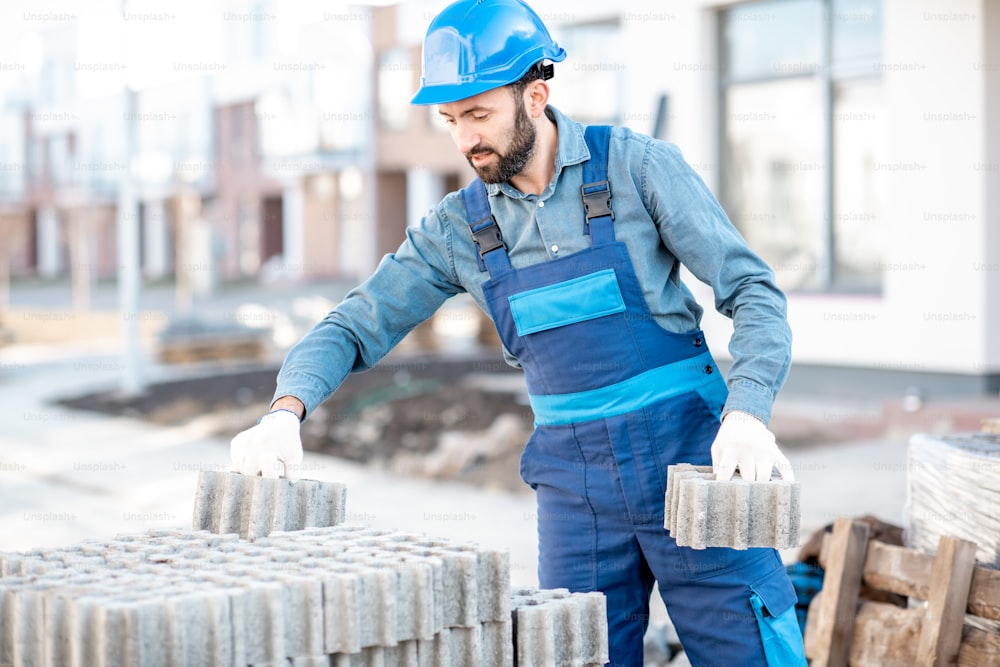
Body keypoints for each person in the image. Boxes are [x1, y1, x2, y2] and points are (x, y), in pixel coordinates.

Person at [231, 0, 806, 664]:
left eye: (478, 115)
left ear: (536, 96)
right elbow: (355, 323)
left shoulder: (638, 169)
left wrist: (749, 412)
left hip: (695, 462)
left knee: (752, 649)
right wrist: (284, 410)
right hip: (576, 489)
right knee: (572, 652)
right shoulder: (457, 230)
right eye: (449, 120)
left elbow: (754, 291)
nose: (464, 139)